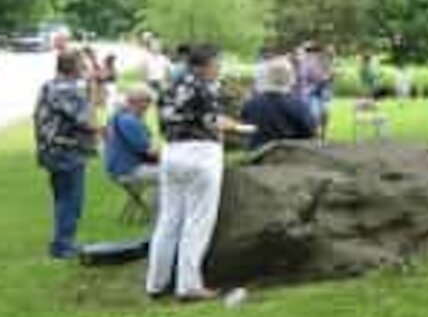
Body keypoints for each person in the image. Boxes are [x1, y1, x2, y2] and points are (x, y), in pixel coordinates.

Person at [146, 45, 235, 302]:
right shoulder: (203, 88)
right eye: (217, 64)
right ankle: (189, 285)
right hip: (201, 153)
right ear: (203, 65)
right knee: (198, 222)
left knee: (168, 221)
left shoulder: (168, 86)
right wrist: (232, 125)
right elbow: (213, 122)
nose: (219, 69)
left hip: (171, 152)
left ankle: (156, 282)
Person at [34, 52, 101, 259]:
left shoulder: (50, 85)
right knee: (71, 199)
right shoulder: (68, 89)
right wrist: (91, 91)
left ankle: (61, 243)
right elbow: (86, 120)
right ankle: (64, 246)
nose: (86, 69)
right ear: (73, 67)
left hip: (54, 150)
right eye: (83, 65)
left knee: (63, 197)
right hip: (65, 151)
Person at [240, 58, 318, 151]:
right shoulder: (298, 105)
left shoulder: (251, 103)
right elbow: (311, 132)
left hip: (258, 155)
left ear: (267, 77)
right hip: (291, 157)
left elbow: (245, 125)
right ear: (290, 78)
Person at [105, 86, 160, 182]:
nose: (148, 105)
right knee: (171, 173)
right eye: (147, 101)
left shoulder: (120, 116)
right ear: (137, 102)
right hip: (128, 170)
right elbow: (148, 150)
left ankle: (157, 197)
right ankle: (160, 198)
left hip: (120, 168)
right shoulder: (129, 121)